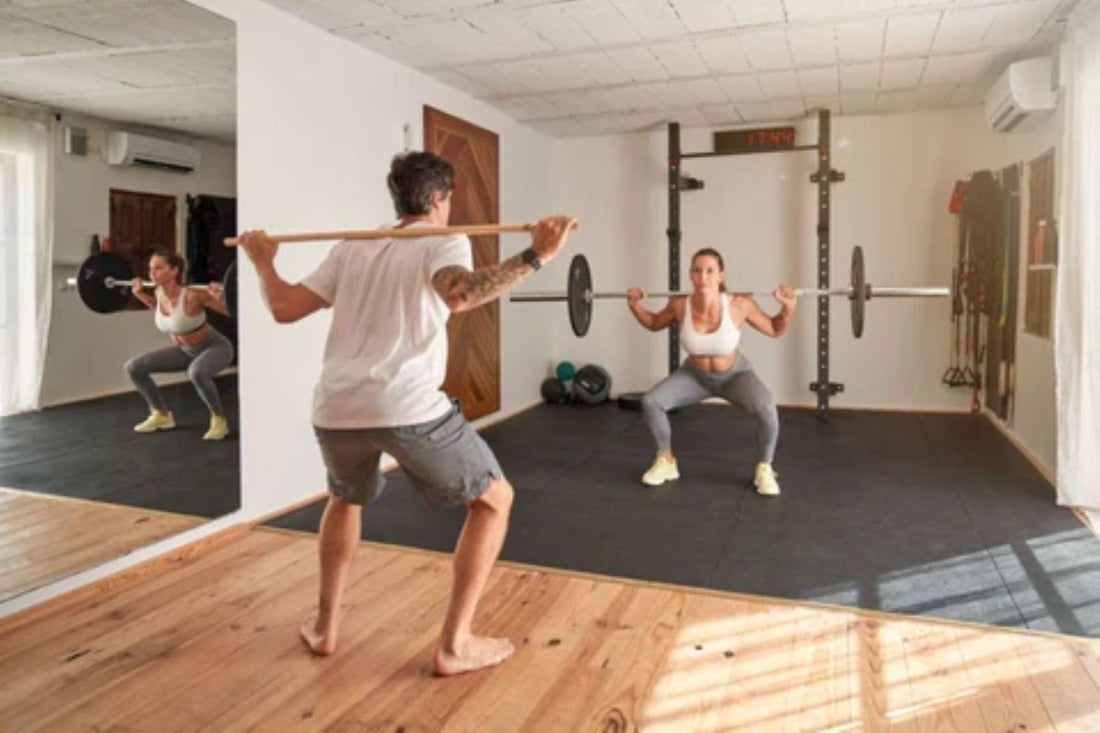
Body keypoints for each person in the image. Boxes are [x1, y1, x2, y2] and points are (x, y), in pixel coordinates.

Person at [237, 150, 577, 675]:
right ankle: (455, 644)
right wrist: (537, 256)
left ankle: (325, 628)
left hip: (336, 406)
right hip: (404, 404)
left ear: (398, 197)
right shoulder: (441, 238)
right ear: (440, 199)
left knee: (344, 500)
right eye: (447, 200)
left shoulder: (358, 245)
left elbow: (283, 308)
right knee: (495, 500)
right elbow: (461, 295)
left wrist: (263, 262)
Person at [626, 247, 796, 496]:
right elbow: (653, 323)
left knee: (767, 408)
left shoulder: (740, 305)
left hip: (735, 377)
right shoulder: (679, 306)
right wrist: (635, 306)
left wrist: (788, 308)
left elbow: (774, 328)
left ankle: (765, 468)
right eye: (697, 270)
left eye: (709, 270)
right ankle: (666, 460)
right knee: (651, 402)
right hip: (694, 376)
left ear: (721, 275)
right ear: (690, 275)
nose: (703, 277)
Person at [124, 250, 234, 440]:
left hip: (215, 348)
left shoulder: (193, 295)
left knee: (197, 372)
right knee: (134, 367)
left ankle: (219, 420)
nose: (152, 273)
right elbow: (156, 307)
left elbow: (233, 312)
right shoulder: (159, 293)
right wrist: (140, 294)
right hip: (185, 351)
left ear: (175, 271)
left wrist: (221, 297)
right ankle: (161, 415)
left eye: (158, 268)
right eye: (150, 269)